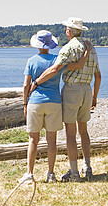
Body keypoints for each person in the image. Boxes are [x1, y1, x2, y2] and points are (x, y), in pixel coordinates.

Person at [30, 17, 101, 181]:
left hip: (72, 90)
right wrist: (94, 96)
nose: (65, 31)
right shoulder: (91, 47)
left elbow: (55, 68)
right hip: (86, 89)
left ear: (69, 31)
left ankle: (74, 172)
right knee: (84, 131)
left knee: (70, 133)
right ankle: (88, 166)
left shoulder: (69, 48)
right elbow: (98, 75)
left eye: (66, 29)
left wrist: (37, 82)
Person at [21, 29, 90, 183]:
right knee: (51, 140)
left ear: (37, 45)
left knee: (33, 139)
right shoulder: (57, 59)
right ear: (50, 44)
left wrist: (25, 103)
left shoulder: (31, 61)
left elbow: (26, 84)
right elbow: (79, 65)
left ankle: (29, 174)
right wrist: (87, 52)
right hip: (54, 101)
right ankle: (50, 174)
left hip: (36, 102)